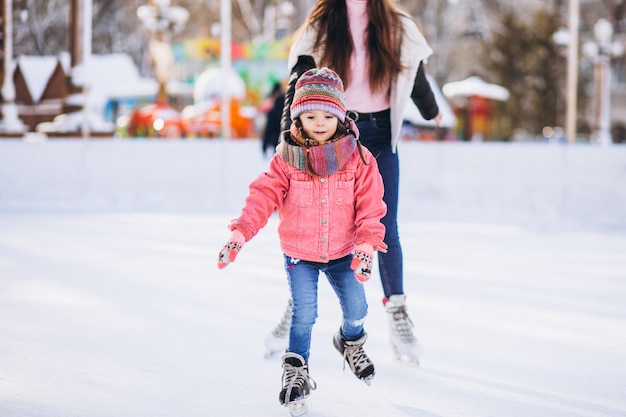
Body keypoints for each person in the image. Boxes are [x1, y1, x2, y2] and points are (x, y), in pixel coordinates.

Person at [264, 0, 442, 366]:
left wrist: (431, 110)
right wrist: (288, 135)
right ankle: (296, 304)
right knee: (312, 221)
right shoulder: (321, 22)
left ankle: (397, 310)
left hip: (377, 132)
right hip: (329, 133)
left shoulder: (395, 23)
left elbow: (414, 71)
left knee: (384, 223)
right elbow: (298, 82)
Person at [217, 68, 388, 414]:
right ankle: (296, 372)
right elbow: (262, 197)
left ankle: (350, 341)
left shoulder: (359, 159)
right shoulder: (285, 160)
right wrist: (240, 232)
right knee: (304, 314)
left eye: (327, 115)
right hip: (300, 254)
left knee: (358, 309)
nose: (320, 122)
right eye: (310, 116)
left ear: (340, 116)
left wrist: (367, 242)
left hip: (344, 253)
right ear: (298, 117)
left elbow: (371, 205)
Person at [261, 81, 285, 158]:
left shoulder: (272, 113)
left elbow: (269, 129)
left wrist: (264, 145)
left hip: (276, 141)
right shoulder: (288, 114)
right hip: (285, 141)